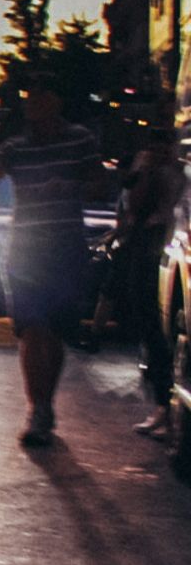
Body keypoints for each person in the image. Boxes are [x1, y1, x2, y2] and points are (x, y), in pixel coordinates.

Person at [0, 72, 111, 447]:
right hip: (26, 249)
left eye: (41, 97)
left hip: (65, 247)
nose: (34, 105)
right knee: (33, 328)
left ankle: (46, 403)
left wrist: (71, 185)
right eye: (30, 99)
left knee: (57, 330)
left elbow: (100, 184)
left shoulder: (80, 140)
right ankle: (37, 409)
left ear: (56, 101)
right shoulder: (16, 147)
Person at [96, 133, 183, 436]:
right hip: (153, 247)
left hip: (156, 247)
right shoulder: (161, 171)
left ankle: (164, 407)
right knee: (152, 327)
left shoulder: (168, 173)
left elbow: (137, 207)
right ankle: (163, 407)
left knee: (155, 328)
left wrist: (144, 171)